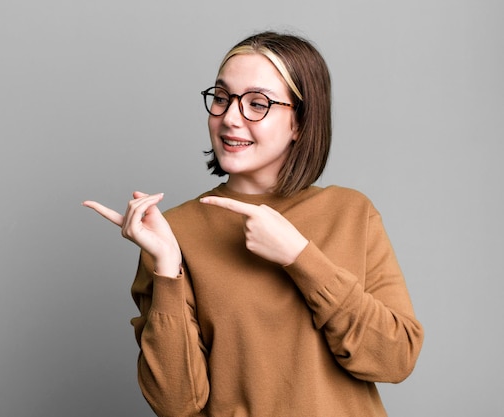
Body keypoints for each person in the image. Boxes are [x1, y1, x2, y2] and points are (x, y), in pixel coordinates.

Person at [83, 31, 424, 417]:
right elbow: (175, 404)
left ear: (299, 122)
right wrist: (167, 268)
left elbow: (395, 359)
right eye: (222, 98)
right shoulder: (173, 233)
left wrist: (300, 257)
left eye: (257, 104)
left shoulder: (351, 213)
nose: (229, 118)